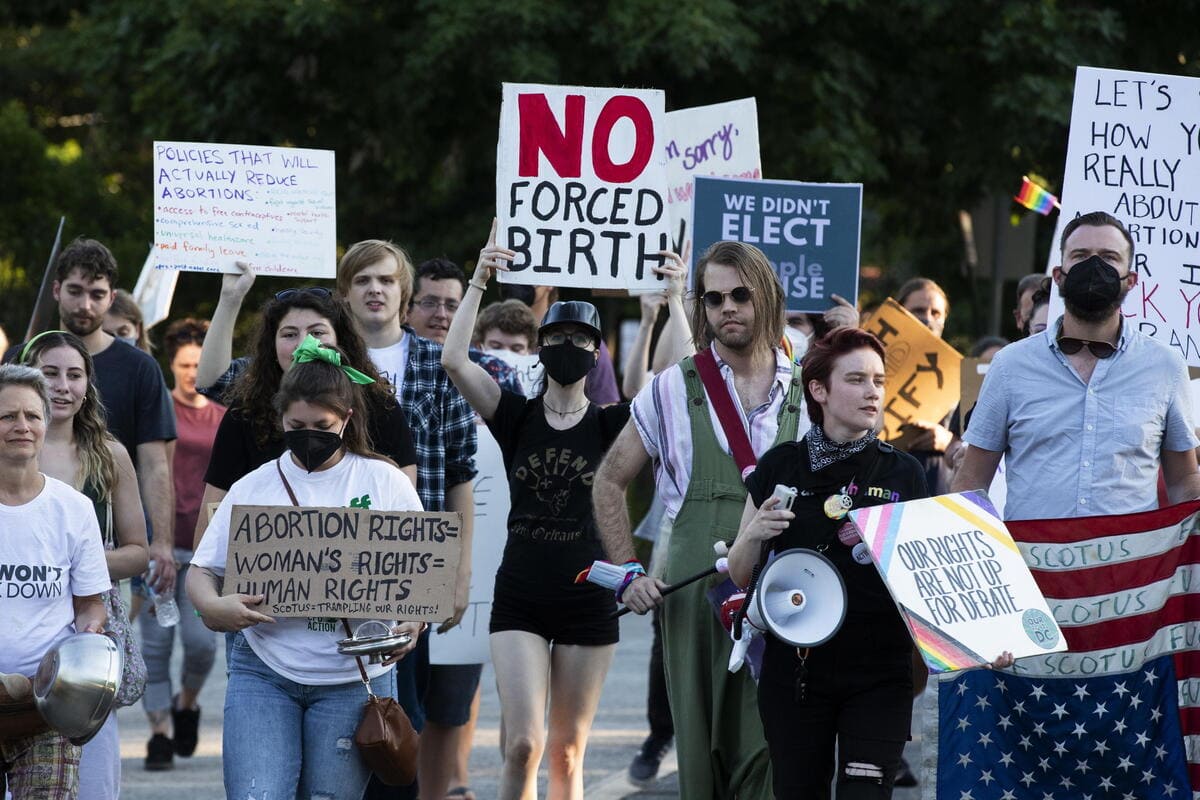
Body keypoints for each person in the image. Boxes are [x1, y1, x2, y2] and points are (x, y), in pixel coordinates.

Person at [441, 220, 690, 800]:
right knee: (522, 744)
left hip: (587, 602)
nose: (570, 348)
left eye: (583, 340)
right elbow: (455, 360)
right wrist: (479, 278)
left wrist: (677, 299)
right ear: (541, 344)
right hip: (520, 597)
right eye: (560, 337)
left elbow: (678, 379)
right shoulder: (515, 415)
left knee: (567, 752)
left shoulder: (612, 424)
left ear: (597, 352)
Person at [595, 240, 808, 800]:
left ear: (768, 295)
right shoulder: (670, 387)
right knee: (700, 751)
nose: (727, 309)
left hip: (785, 589)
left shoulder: (809, 388)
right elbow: (609, 481)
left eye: (740, 294)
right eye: (713, 299)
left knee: (771, 745)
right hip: (693, 592)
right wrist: (627, 571)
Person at [188, 341, 424, 800]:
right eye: (297, 426)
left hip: (353, 679)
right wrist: (216, 606)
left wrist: (413, 622)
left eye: (323, 426)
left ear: (348, 420)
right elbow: (201, 571)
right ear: (281, 420)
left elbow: (420, 574)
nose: (309, 435)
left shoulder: (386, 482)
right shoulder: (252, 486)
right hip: (264, 671)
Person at [728, 327, 930, 798]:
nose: (872, 391)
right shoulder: (779, 466)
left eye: (878, 380)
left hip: (880, 671)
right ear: (818, 390)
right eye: (857, 379)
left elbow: (924, 578)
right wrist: (755, 533)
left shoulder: (904, 471)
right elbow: (741, 573)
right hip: (796, 670)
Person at [953, 210, 1200, 518]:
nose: (1094, 267)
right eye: (1081, 255)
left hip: (1131, 564)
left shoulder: (1165, 366)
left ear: (1131, 280)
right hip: (1033, 563)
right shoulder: (1010, 366)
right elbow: (972, 481)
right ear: (1058, 276)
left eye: (1109, 257)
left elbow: (1183, 482)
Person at [3, 238, 178, 601]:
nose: (85, 305)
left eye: (97, 294)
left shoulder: (140, 368)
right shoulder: (19, 358)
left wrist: (161, 540)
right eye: (75, 291)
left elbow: (155, 463)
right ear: (56, 290)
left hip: (98, 568)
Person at [21, 331, 150, 798]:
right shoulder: (10, 447)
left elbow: (138, 549)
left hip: (86, 630)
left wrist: (82, 566)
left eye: (74, 375)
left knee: (92, 771)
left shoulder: (108, 454)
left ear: (87, 385)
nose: (61, 385)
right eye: (49, 373)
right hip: (15, 622)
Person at [0, 364, 110, 799]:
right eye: (7, 416)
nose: (21, 427)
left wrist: (89, 641)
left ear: (46, 423)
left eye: (32, 415)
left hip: (46, 707)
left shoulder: (74, 508)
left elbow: (90, 603)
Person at [137, 319, 224, 770]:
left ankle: (186, 702)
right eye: (184, 364)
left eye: (198, 364)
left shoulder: (223, 413)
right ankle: (158, 735)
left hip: (205, 546)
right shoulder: (159, 409)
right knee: (154, 646)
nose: (192, 372)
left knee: (202, 645)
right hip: (162, 544)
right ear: (171, 366)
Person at [499, 282, 621, 404]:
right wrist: (479, 284)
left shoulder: (589, 345)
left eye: (579, 338)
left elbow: (606, 406)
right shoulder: (489, 334)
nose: (518, 282)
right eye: (496, 346)